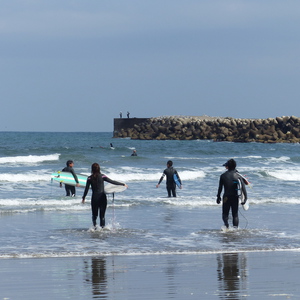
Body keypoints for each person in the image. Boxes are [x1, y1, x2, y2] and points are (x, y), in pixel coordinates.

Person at [82, 163, 128, 228]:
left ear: (92, 169)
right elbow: (112, 181)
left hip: (94, 198)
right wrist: (122, 184)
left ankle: (94, 228)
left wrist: (83, 198)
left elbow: (86, 189)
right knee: (102, 216)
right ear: (99, 169)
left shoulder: (89, 178)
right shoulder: (102, 176)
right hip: (102, 198)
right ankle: (102, 230)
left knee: (94, 215)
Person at [216, 159, 247, 228]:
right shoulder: (238, 176)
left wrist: (218, 197)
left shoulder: (223, 176)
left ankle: (226, 224)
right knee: (235, 215)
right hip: (235, 197)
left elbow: (220, 188)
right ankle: (235, 230)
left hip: (226, 197)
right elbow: (243, 188)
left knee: (225, 214)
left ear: (227, 167)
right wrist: (245, 198)